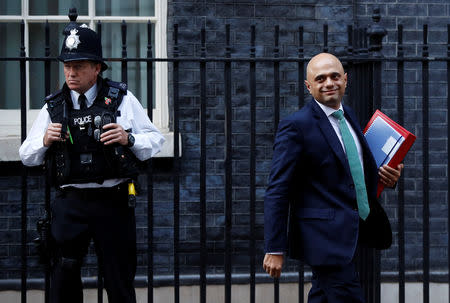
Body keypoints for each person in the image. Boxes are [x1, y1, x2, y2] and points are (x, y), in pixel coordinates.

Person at [19, 23, 165, 303]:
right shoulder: (55, 106)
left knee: (118, 280)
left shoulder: (121, 99)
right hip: (70, 203)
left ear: (97, 68)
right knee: (62, 282)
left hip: (114, 202)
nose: (71, 73)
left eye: (79, 66)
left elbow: (155, 141)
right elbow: (27, 155)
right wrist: (44, 141)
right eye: (67, 66)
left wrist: (128, 138)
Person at [262, 53, 403, 303]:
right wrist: (275, 247)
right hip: (323, 239)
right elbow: (277, 189)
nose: (329, 82)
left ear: (345, 80)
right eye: (320, 78)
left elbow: (356, 170)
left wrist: (387, 177)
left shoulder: (348, 115)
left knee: (323, 297)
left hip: (352, 231)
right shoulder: (296, 126)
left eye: (335, 76)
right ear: (309, 86)